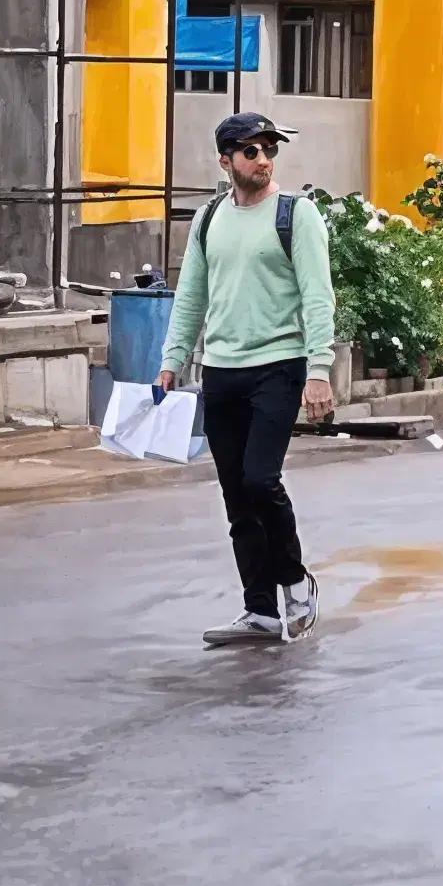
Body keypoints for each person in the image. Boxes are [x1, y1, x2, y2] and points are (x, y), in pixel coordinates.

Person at [158, 110, 334, 646]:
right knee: (237, 498)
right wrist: (172, 361)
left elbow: (317, 295)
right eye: (251, 150)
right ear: (226, 160)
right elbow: (191, 295)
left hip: (278, 367)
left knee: (261, 480)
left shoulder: (296, 215)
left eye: (269, 150)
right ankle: (258, 610)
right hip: (222, 373)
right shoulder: (209, 219)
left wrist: (319, 370)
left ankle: (296, 581)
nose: (263, 159)